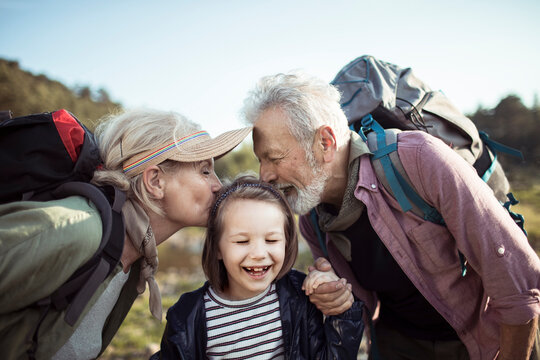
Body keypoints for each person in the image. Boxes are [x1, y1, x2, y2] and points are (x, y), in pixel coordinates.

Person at [241, 72, 540, 360]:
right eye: (260, 160)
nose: (264, 175)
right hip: (399, 345)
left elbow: (517, 280)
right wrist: (338, 299)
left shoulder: (420, 160)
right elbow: (361, 308)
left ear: (325, 143)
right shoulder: (312, 219)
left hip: (485, 343)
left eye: (274, 158)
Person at [0, 109, 251, 359]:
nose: (218, 185)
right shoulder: (78, 229)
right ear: (155, 181)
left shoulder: (132, 259)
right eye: (205, 171)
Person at [152, 176, 364, 359]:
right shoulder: (188, 315)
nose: (258, 254)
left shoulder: (300, 297)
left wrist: (340, 312)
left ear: (287, 242)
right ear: (217, 248)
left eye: (271, 240)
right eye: (242, 242)